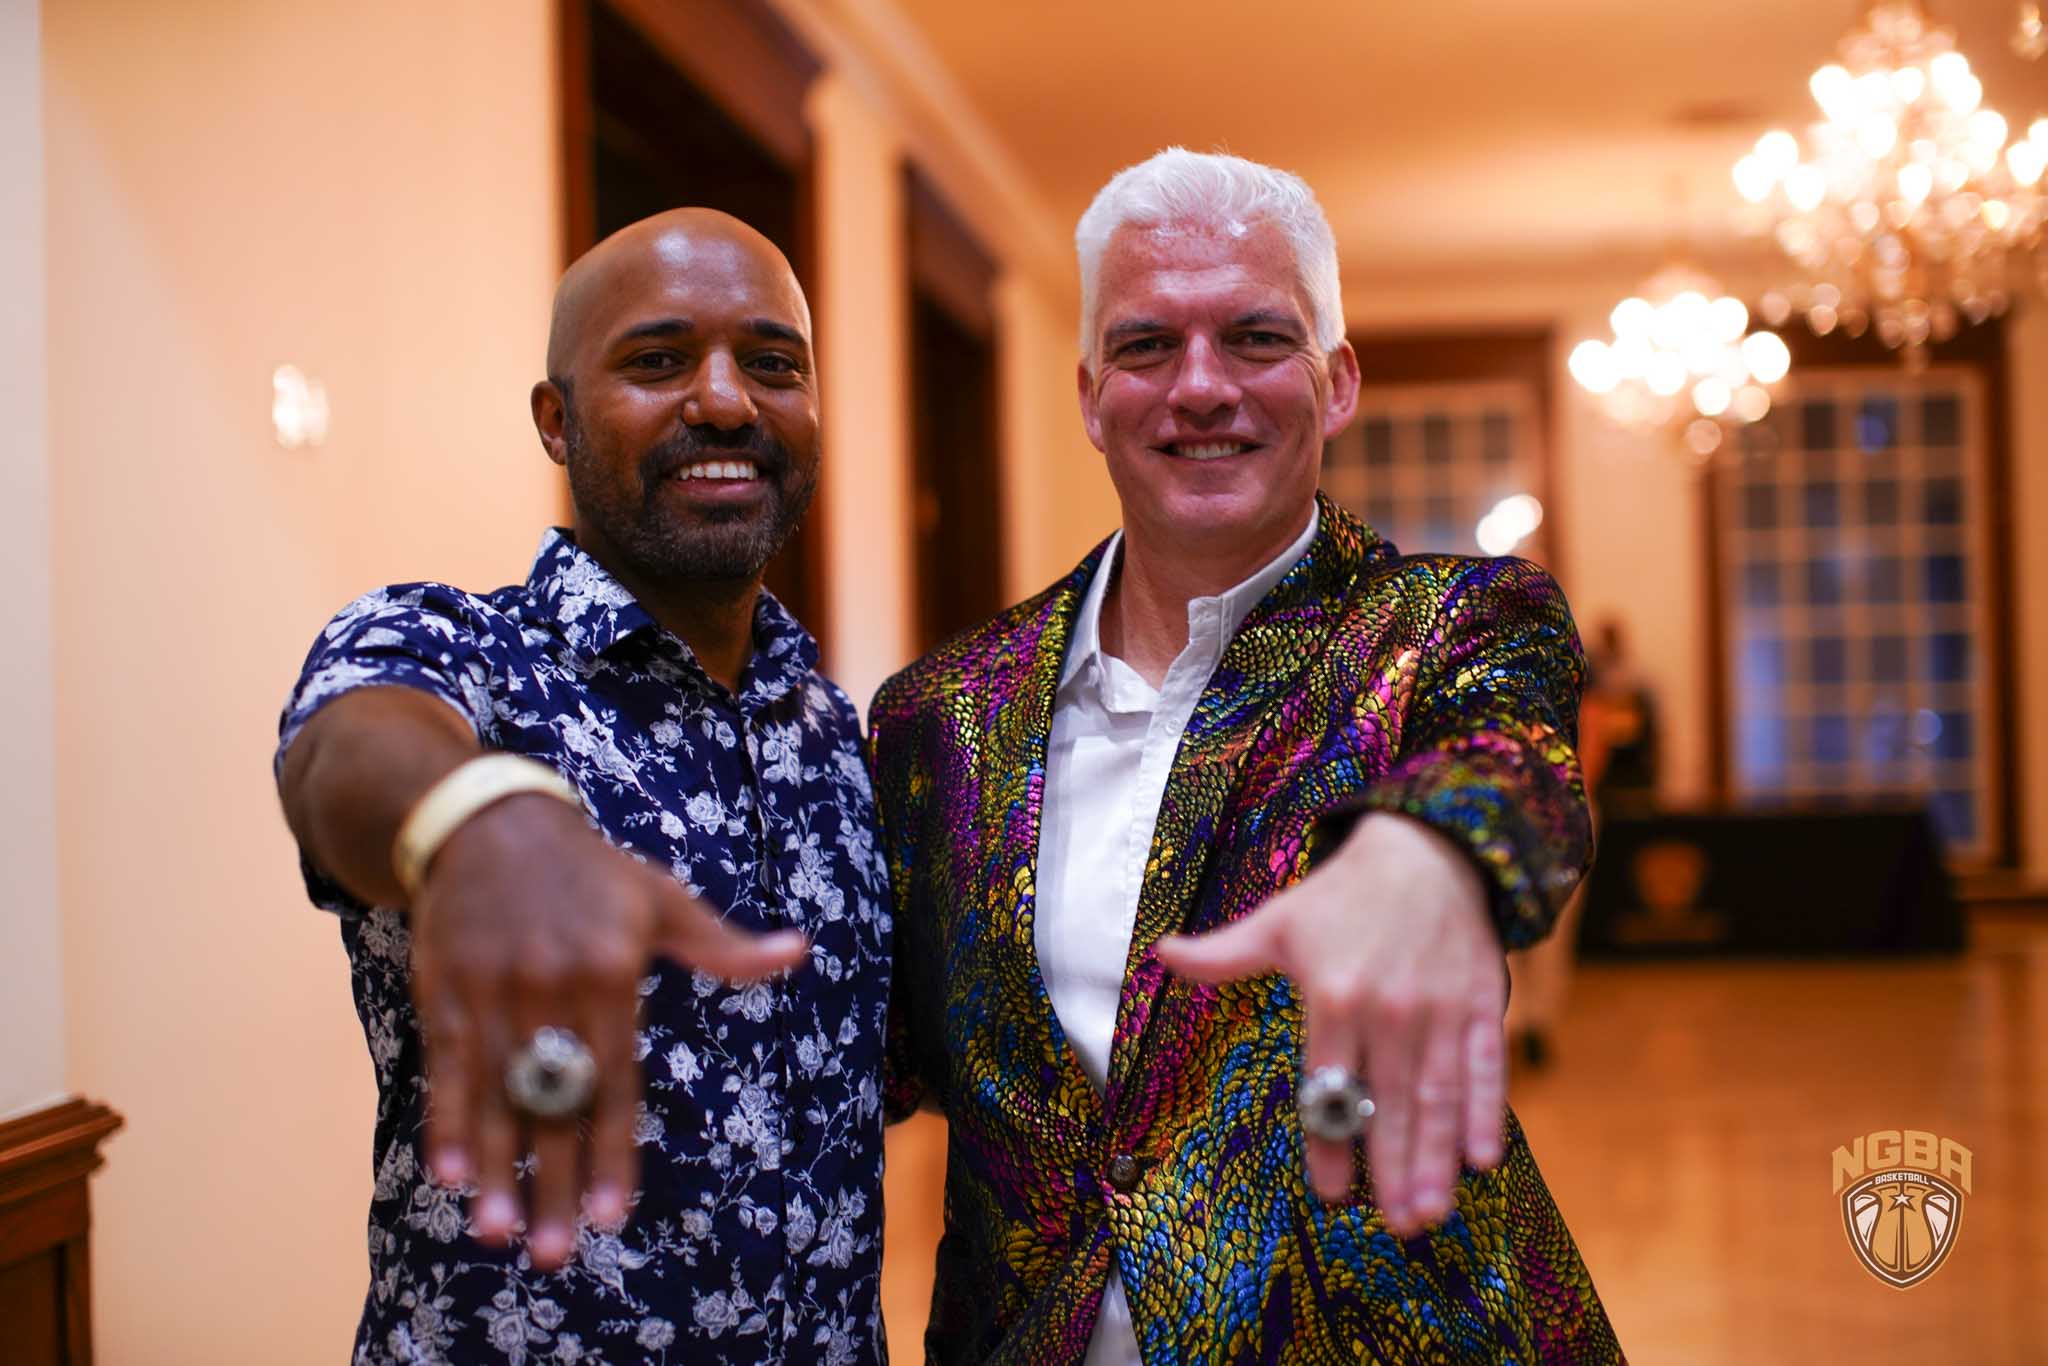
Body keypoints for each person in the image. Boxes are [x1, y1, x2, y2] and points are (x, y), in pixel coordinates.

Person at [869, 150, 1621, 1363]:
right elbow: (873, 1052)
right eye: (1147, 345)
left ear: (1334, 385)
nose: (1200, 387)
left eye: (1255, 339)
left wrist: (1429, 855)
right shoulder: (936, 714)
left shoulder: (1453, 626)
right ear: (1087, 393)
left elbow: (1511, 766)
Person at [275, 209, 889, 1364]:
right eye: (657, 361)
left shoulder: (833, 729)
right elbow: (345, 752)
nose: (723, 401)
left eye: (773, 364)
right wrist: (478, 818)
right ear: (555, 421)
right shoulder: (462, 651)